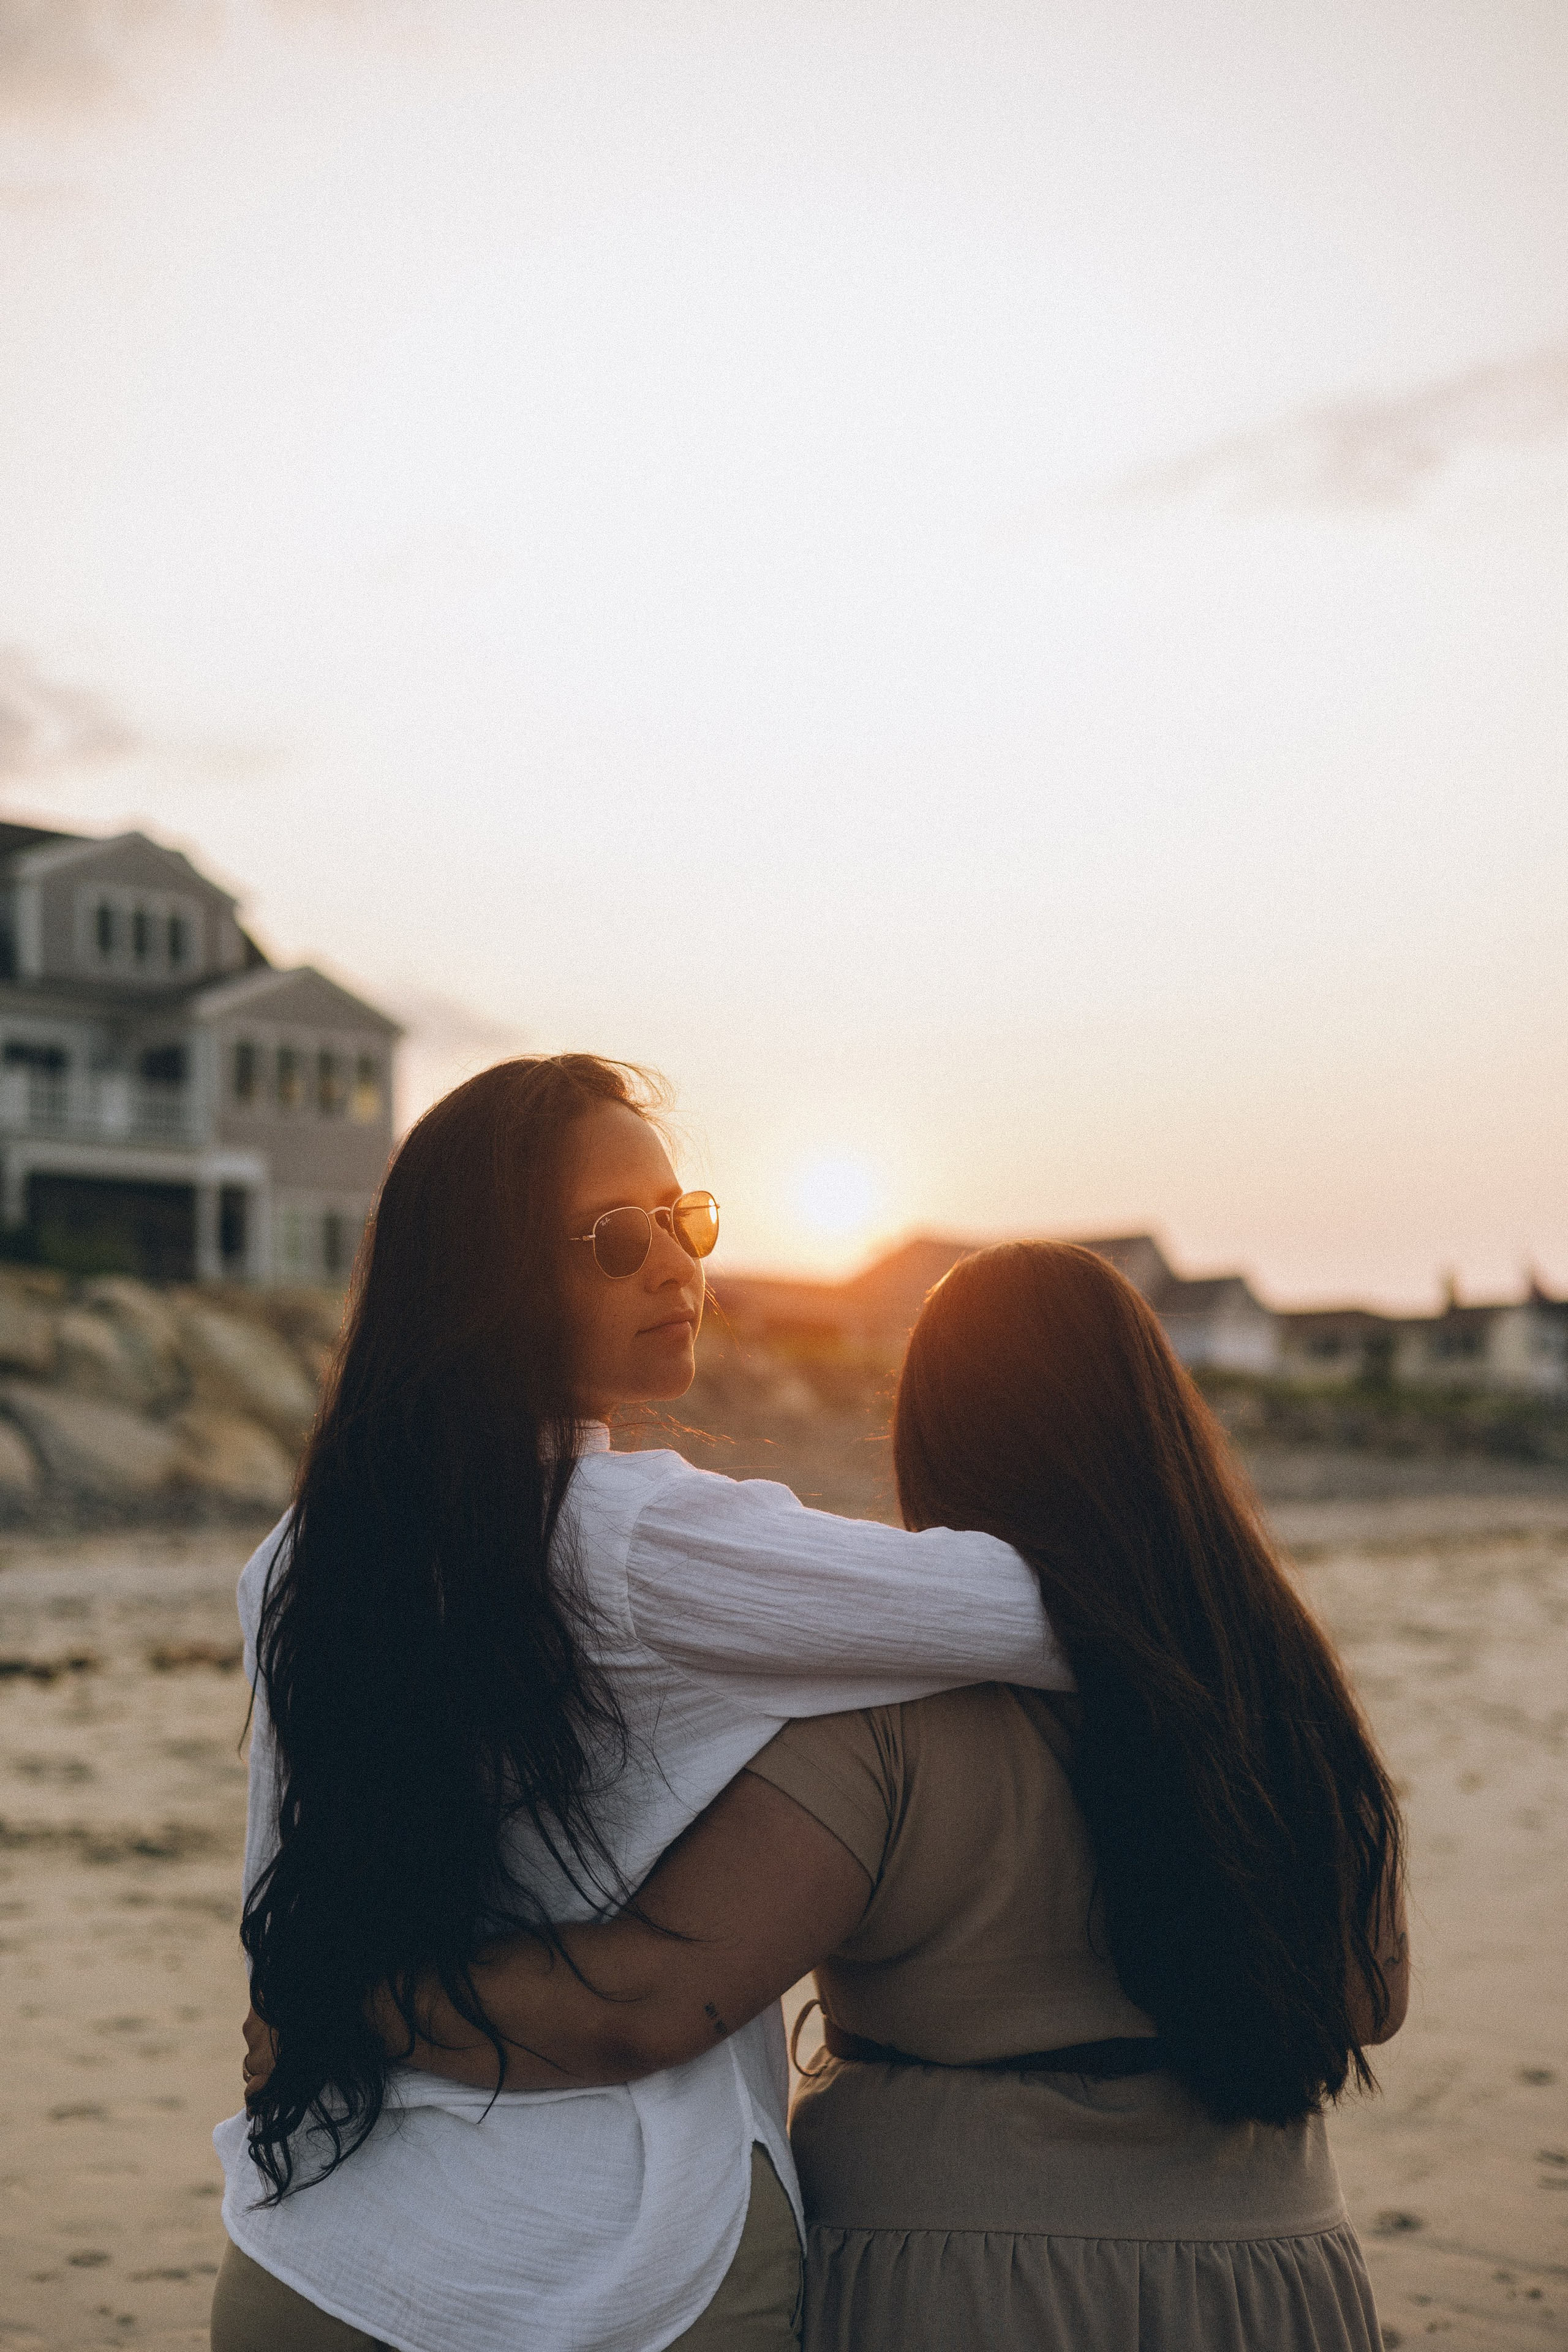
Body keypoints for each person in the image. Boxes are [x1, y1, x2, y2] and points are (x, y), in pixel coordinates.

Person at [368, 1240, 1409, 2352]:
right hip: (1274, 2275)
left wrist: (360, 2004)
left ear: (934, 1439)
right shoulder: (1276, 1686)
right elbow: (1369, 2002)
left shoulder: (887, 1712)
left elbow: (650, 2000)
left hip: (965, 2280)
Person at [213, 1056, 1075, 2352]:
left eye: (685, 1220)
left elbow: (288, 1915)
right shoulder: (634, 1542)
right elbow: (1049, 1612)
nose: (677, 1267)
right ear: (489, 1282)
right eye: (618, 1239)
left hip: (318, 2260)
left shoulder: (300, 1557)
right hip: (604, 2264)